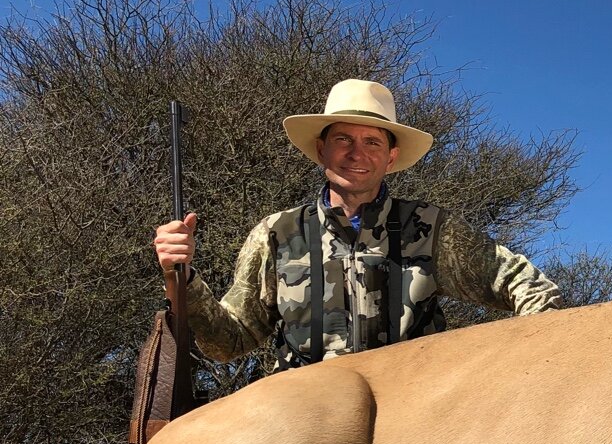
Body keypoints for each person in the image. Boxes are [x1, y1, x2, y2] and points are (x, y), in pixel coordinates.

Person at [153, 79, 561, 368]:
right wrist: (183, 279)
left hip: (414, 418)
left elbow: (528, 285)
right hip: (303, 418)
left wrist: (529, 361)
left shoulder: (432, 227)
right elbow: (231, 340)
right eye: (343, 140)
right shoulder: (276, 233)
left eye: (372, 142)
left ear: (391, 158)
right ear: (322, 150)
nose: (356, 154)